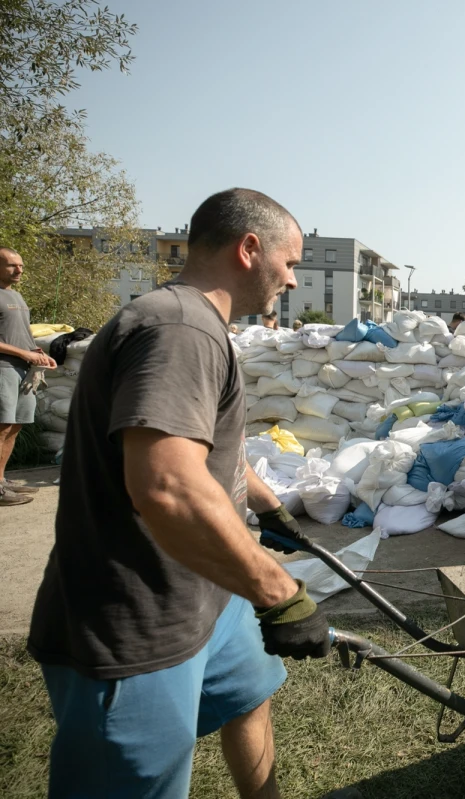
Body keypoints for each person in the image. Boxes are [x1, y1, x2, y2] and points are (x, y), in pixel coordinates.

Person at [27, 189, 331, 798]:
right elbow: (167, 486)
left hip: (208, 597)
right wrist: (278, 593)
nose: (293, 281)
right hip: (138, 622)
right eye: (290, 263)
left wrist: (268, 509)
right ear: (250, 249)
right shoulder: (180, 327)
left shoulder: (194, 324)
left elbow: (213, 447)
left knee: (250, 698)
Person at [0, 247, 57, 507]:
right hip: (3, 369)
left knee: (14, 426)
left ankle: (1, 480)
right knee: (1, 428)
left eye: (21, 265)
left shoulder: (16, 296)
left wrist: (36, 353)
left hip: (23, 369)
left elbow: (19, 333)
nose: (19, 270)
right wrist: (24, 353)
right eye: (12, 265)